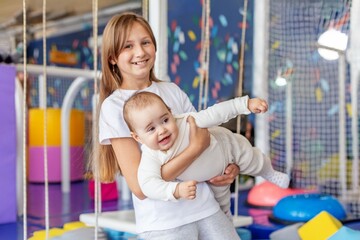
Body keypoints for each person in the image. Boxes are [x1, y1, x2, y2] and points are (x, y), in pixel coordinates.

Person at [95, 12, 241, 239]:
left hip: (207, 208)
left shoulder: (171, 91)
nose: (140, 52)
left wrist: (226, 168)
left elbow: (206, 142)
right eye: (128, 46)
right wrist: (196, 149)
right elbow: (140, 187)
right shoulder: (113, 107)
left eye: (145, 43)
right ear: (112, 57)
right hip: (163, 223)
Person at [123, 91, 290, 216]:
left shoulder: (188, 121)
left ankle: (269, 172)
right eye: (151, 129)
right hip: (211, 180)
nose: (162, 130)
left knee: (253, 160)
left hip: (228, 149)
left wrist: (245, 104)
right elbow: (147, 185)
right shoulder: (151, 156)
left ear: (171, 113)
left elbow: (217, 112)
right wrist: (176, 190)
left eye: (165, 120)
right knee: (220, 209)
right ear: (138, 137)